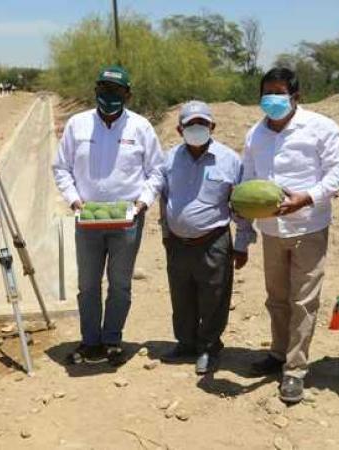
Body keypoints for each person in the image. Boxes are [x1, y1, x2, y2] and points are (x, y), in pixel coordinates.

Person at [242, 67, 339, 403]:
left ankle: (295, 369)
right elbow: (246, 180)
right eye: (266, 94)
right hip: (271, 230)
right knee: (276, 297)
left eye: (279, 93)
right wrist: (244, 226)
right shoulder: (254, 135)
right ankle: (277, 354)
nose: (272, 100)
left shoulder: (321, 127)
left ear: (295, 96)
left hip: (309, 227)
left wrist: (308, 197)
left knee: (303, 301)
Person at [52, 65, 165, 366]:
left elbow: (156, 171)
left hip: (127, 220)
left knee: (120, 284)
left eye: (116, 91)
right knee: (88, 284)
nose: (109, 96)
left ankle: (113, 340)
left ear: (128, 94)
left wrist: (141, 203)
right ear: (96, 91)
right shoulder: (77, 125)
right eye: (104, 89)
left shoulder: (141, 127)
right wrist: (75, 202)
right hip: (88, 219)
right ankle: (90, 341)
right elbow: (61, 168)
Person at [159, 101, 255, 374]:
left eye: (202, 123)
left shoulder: (229, 160)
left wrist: (242, 244)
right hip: (177, 243)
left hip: (213, 242)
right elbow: (164, 198)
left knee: (214, 297)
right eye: (190, 124)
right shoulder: (169, 159)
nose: (197, 129)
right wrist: (166, 233)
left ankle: (209, 348)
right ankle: (186, 344)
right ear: (180, 129)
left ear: (213, 127)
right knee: (181, 296)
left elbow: (241, 204)